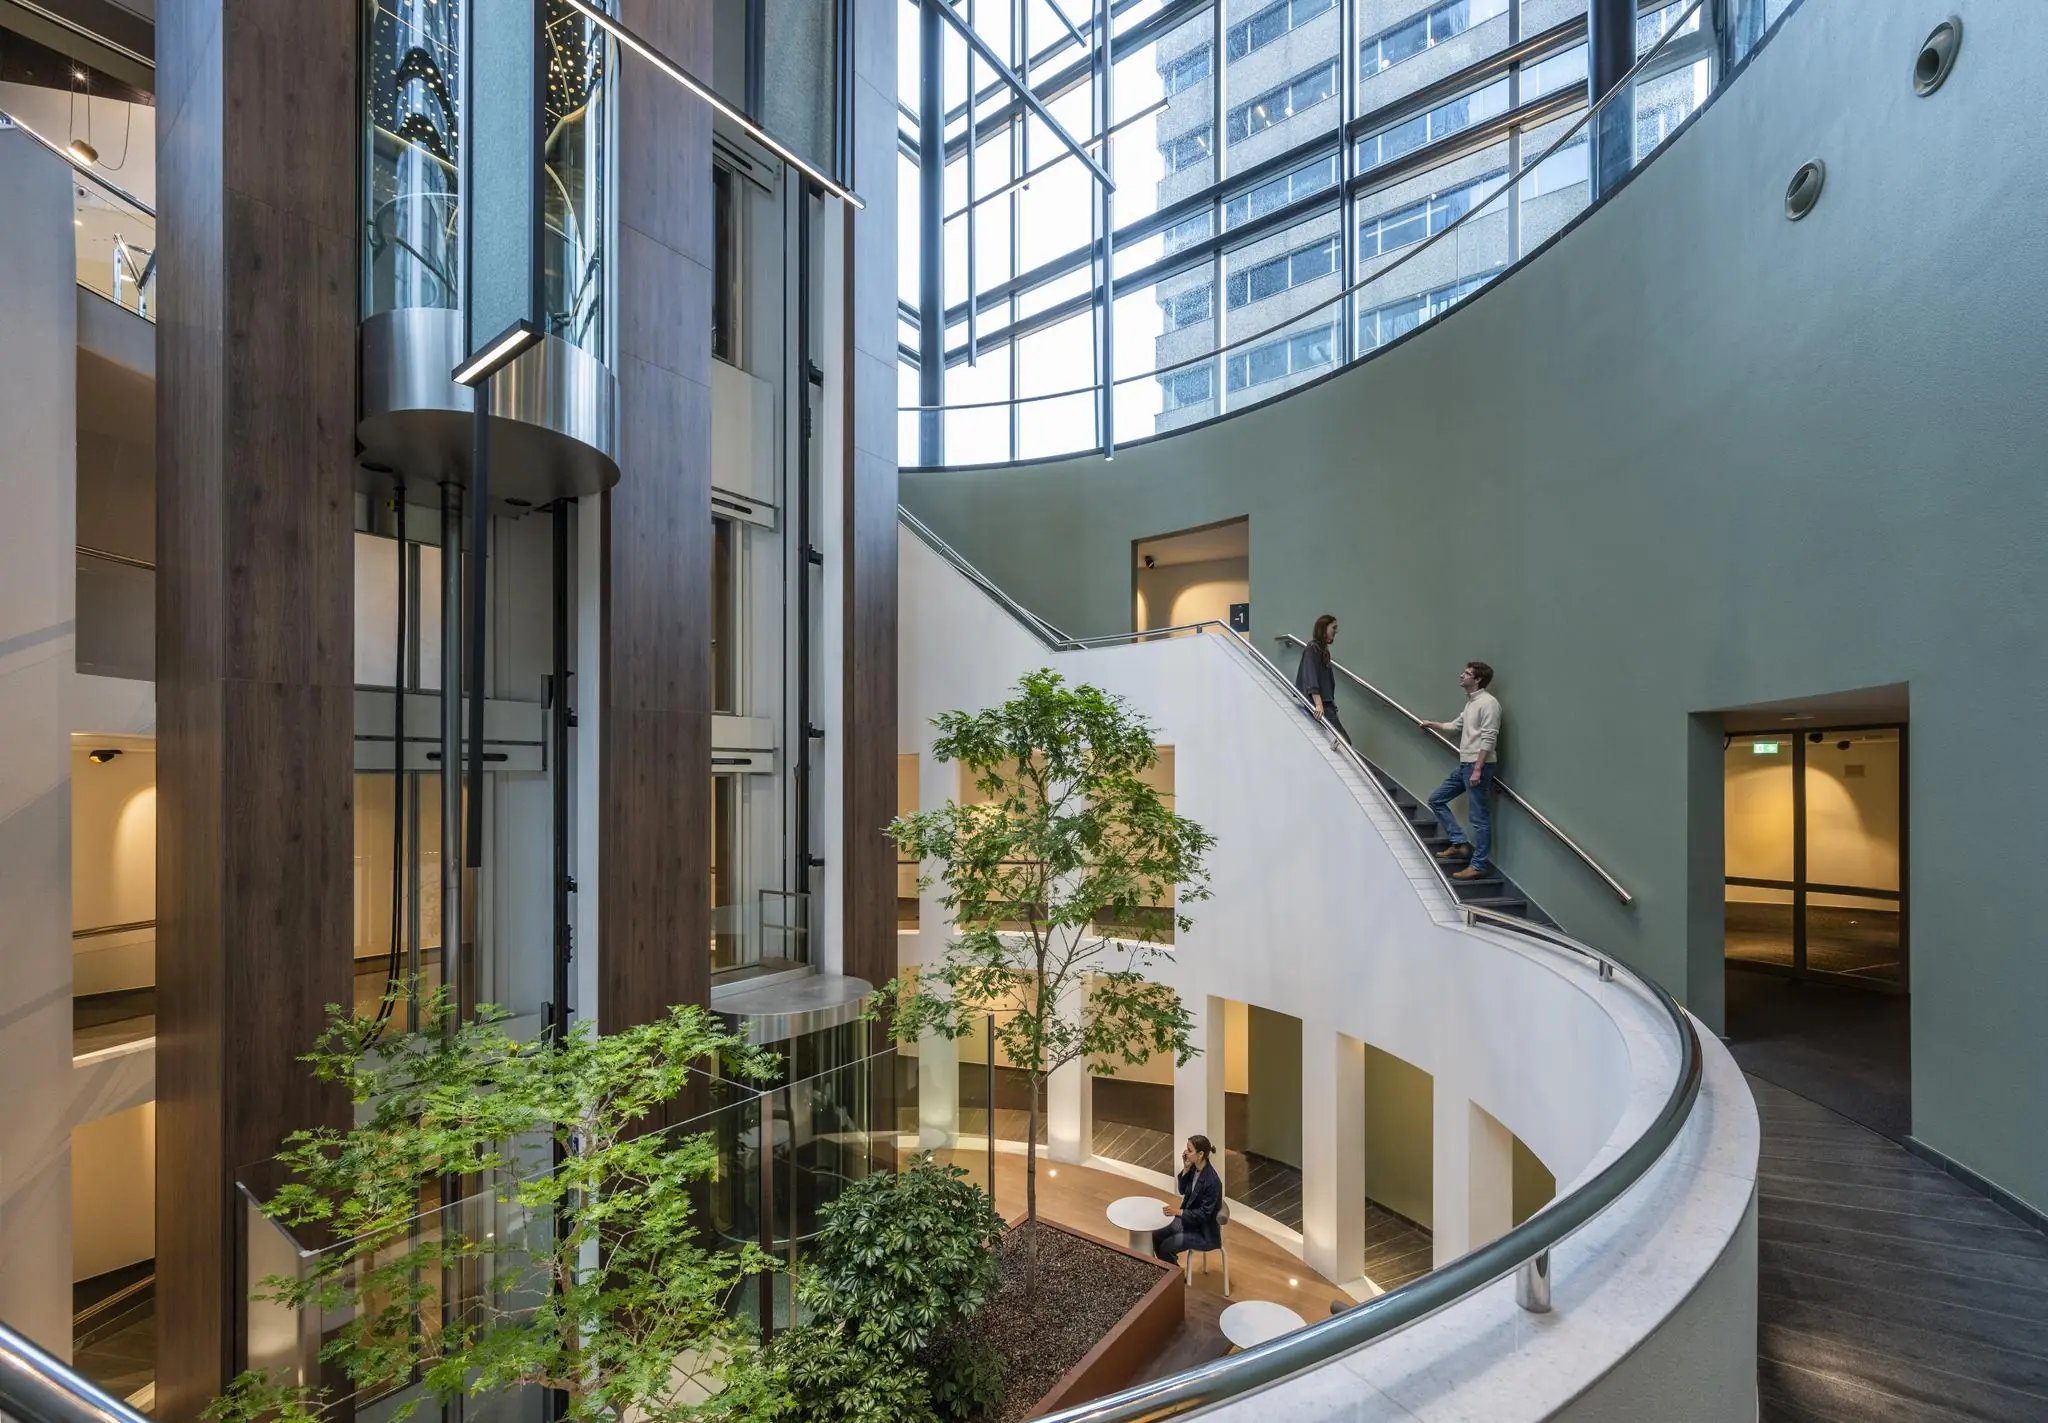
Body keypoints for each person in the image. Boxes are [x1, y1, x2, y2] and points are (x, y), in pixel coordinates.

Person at [1420, 661, 1502, 881]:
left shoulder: (1489, 703)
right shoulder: (1471, 703)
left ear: (1477, 679)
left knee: (1479, 818)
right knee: (1436, 799)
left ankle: (1478, 865)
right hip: (1466, 765)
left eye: (1466, 674)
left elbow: (1489, 737)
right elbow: (1455, 726)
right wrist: (1432, 724)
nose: (1461, 675)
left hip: (1478, 766)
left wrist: (1477, 769)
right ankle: (1459, 842)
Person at [1153, 1134, 1224, 1264]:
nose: (1185, 1153)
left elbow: (1204, 1215)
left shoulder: (1212, 1182)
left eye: (1189, 1150)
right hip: (1189, 1223)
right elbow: (1182, 1190)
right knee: (1156, 1234)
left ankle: (1174, 1278)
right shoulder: (1193, 1169)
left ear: (1201, 1154)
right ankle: (1165, 1270)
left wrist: (1178, 1212)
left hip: (1203, 1233)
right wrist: (1185, 1169)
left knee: (1166, 1247)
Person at [1294, 614, 1350, 743]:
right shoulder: (1312, 649)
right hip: (1321, 704)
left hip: (1327, 704)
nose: (1336, 631)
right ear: (1324, 628)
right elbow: (1311, 676)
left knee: (1341, 740)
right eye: (1333, 627)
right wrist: (1318, 704)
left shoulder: (1323, 650)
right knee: (1344, 741)